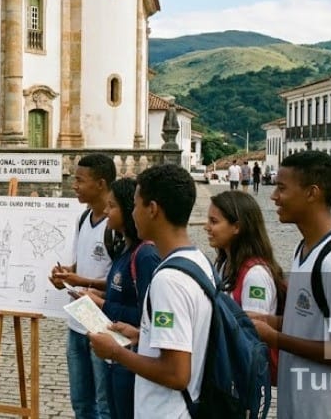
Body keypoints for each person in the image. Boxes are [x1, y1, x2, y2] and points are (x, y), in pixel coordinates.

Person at [250, 150, 331, 418]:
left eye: (282, 188)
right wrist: (270, 321)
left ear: (312, 193)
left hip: (329, 408)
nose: (274, 196)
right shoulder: (305, 249)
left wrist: (275, 338)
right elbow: (315, 324)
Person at [88, 164, 212, 419]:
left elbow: (176, 374)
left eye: (135, 205)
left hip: (167, 411)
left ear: (153, 209)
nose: (132, 213)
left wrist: (115, 352)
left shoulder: (169, 280)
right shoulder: (198, 260)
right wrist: (139, 336)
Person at [82, 177, 160, 419]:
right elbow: (122, 293)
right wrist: (99, 294)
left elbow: (146, 315)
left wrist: (103, 304)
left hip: (132, 359)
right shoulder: (124, 248)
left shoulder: (145, 255)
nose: (106, 211)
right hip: (116, 357)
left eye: (112, 206)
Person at [48, 154, 117, 419]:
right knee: (81, 402)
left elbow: (119, 282)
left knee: (103, 403)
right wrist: (65, 275)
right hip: (78, 320)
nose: (74, 185)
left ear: (101, 184)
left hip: (103, 322)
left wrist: (83, 282)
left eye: (80, 180)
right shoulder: (83, 218)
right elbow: (80, 266)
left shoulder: (116, 225)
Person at [206, 190, 285, 319]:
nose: (207, 227)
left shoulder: (255, 276)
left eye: (214, 221)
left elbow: (253, 331)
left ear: (237, 227)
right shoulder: (224, 264)